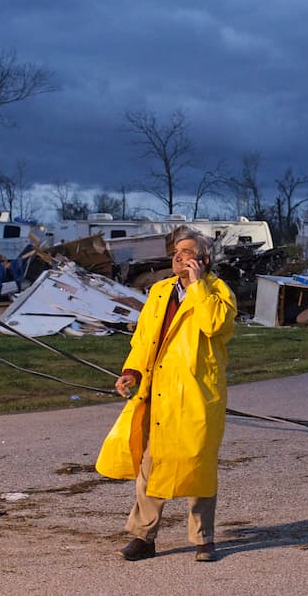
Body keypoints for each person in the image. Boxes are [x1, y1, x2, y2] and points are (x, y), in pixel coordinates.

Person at [95, 229, 237, 562]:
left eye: (186, 251)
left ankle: (204, 540)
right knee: (149, 465)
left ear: (203, 259)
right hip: (157, 392)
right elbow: (143, 341)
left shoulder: (218, 292)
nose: (177, 256)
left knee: (198, 467)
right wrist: (131, 373)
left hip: (196, 394)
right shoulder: (159, 292)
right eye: (175, 251)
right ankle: (143, 537)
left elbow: (215, 326)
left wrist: (197, 286)